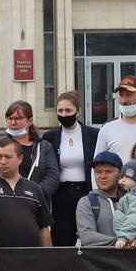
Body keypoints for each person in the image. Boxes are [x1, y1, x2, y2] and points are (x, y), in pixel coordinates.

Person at [0, 136, 52, 248]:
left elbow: (44, 228)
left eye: (8, 157)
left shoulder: (34, 188)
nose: (3, 162)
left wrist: (48, 256)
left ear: (20, 159)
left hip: (31, 255)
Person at [43, 90, 98, 249]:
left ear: (78, 111)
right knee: (62, 242)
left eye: (68, 110)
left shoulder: (93, 134)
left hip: (87, 192)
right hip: (61, 195)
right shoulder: (49, 137)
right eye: (60, 110)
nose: (64, 114)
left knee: (91, 240)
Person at [0, 101, 60, 193]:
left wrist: (34, 193)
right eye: (10, 118)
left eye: (17, 119)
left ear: (30, 121)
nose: (13, 122)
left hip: (35, 198)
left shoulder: (44, 147)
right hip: (6, 198)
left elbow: (52, 176)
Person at [75, 151, 128, 248]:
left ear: (120, 174)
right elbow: (87, 237)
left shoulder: (132, 198)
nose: (103, 176)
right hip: (99, 258)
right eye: (98, 172)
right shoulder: (87, 202)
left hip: (133, 257)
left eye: (108, 171)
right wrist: (123, 241)